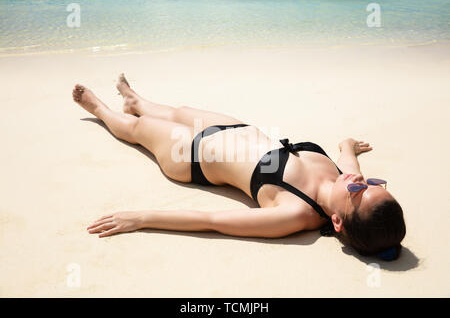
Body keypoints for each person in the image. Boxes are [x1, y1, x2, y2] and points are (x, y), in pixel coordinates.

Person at [72, 74, 406, 261]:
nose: (359, 179)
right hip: (235, 129)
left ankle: (100, 109)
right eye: (375, 182)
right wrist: (351, 145)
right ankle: (136, 101)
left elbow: (212, 222)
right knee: (178, 110)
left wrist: (141, 218)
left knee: (135, 130)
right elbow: (346, 150)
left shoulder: (295, 213)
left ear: (336, 221)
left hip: (190, 156)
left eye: (360, 190)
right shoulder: (343, 177)